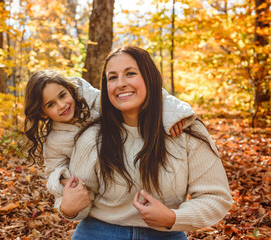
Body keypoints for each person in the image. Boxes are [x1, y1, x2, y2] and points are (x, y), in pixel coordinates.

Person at [59, 46, 232, 239]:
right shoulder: (93, 136)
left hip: (166, 234)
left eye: (130, 73)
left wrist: (172, 217)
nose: (121, 84)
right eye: (112, 77)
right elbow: (77, 198)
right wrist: (68, 208)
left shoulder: (185, 129)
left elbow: (216, 197)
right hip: (98, 232)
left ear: (149, 78)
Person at [23, 69, 197, 219]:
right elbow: (53, 170)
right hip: (102, 192)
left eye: (62, 95)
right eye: (51, 104)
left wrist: (172, 115)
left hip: (137, 165)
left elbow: (143, 97)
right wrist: (62, 178)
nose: (62, 105)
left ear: (70, 89)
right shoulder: (54, 140)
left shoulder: (98, 101)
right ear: (43, 113)